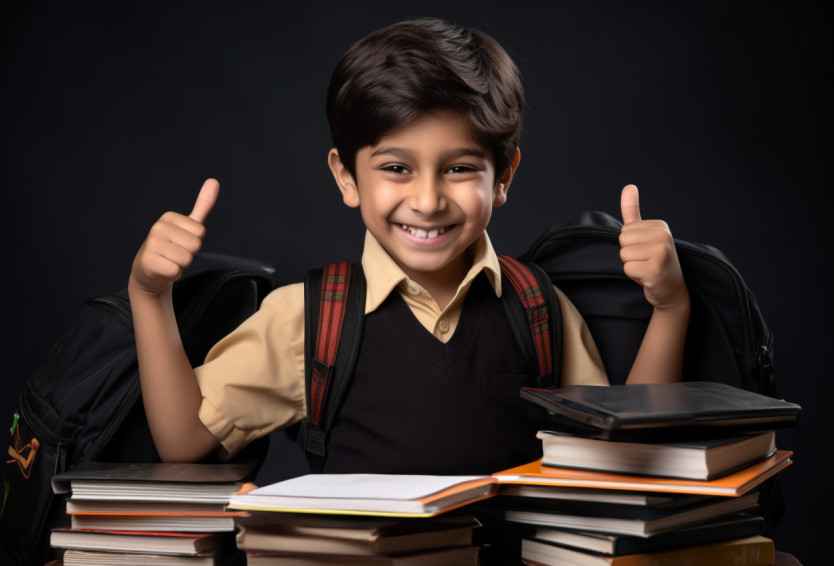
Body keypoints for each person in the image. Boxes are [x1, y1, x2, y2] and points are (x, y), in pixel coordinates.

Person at [128, 18, 690, 473]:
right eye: (396, 167)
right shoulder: (309, 319)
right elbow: (186, 441)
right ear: (347, 177)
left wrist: (670, 307)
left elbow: (623, 463)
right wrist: (148, 294)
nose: (426, 200)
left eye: (459, 168)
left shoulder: (537, 309)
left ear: (504, 176)